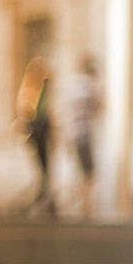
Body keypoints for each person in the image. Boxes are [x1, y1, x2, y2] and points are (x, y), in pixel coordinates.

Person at [62, 53, 103, 218]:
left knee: (80, 171)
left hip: (72, 133)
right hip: (83, 134)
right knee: (88, 173)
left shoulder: (71, 85)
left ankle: (80, 205)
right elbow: (97, 106)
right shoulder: (87, 86)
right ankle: (84, 207)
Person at [15, 56, 54, 216]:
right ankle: (42, 199)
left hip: (42, 131)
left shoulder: (42, 90)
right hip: (37, 131)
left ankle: (46, 199)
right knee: (42, 169)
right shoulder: (30, 90)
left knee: (45, 169)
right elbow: (27, 112)